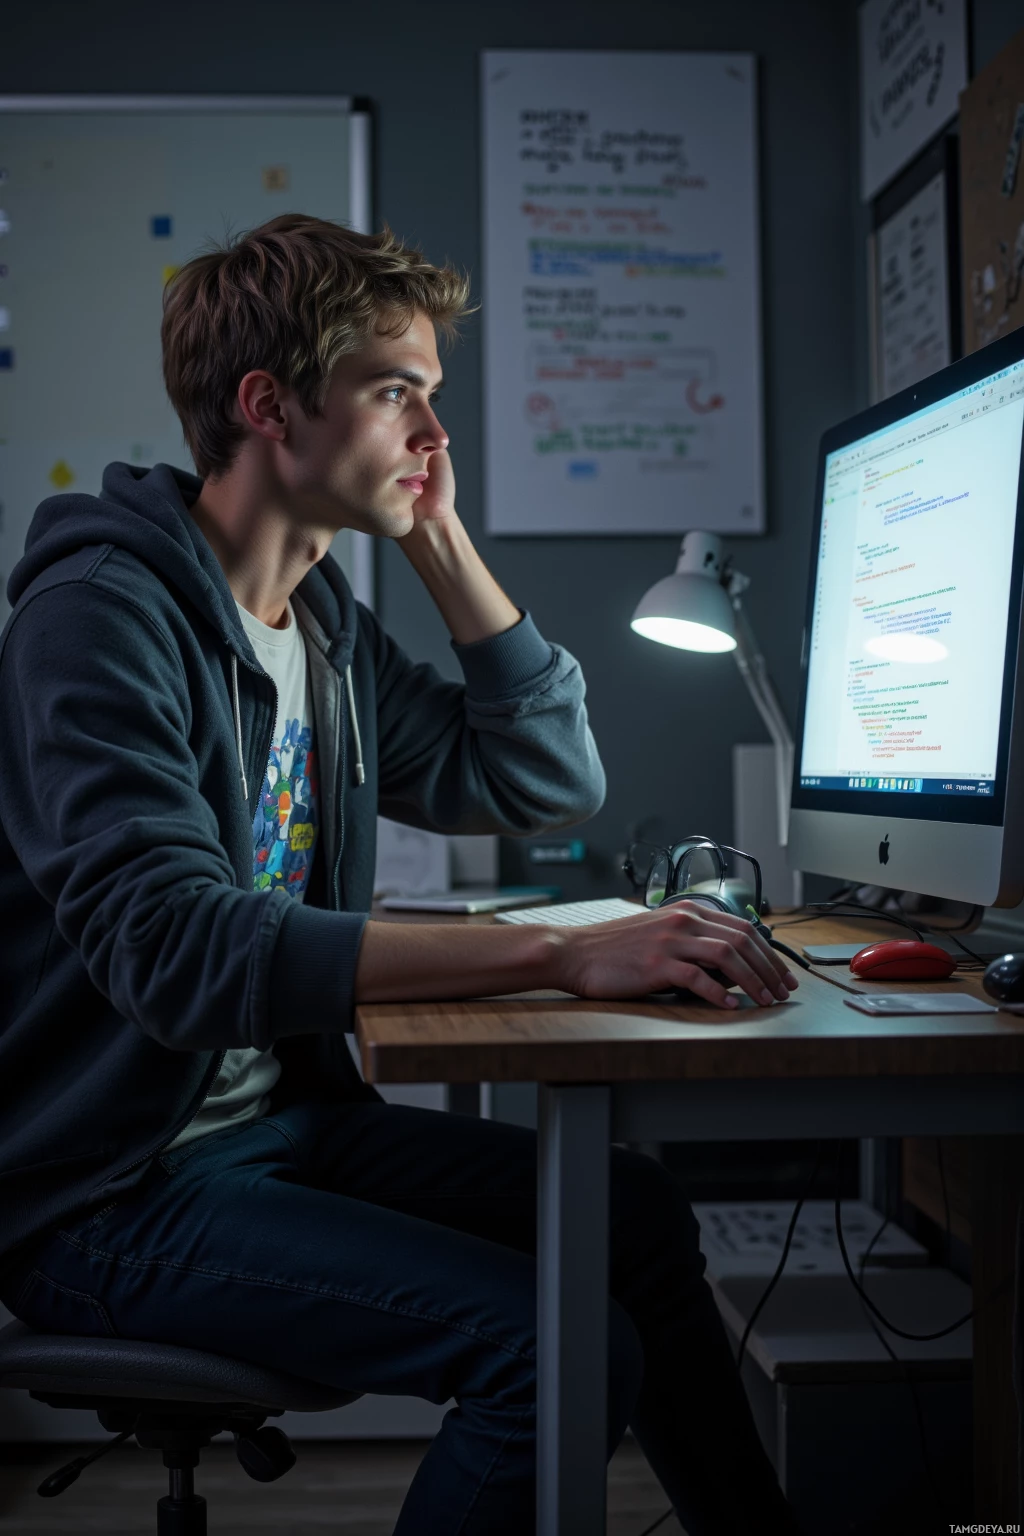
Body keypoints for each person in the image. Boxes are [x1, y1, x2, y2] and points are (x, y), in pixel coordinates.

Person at [0, 215, 800, 1534]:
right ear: (269, 407)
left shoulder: (316, 625)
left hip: (277, 1134)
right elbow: (179, 951)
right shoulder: (100, 619)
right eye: (396, 394)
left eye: (434, 397)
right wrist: (559, 952)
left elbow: (543, 782)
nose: (434, 433)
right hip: (108, 1190)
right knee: (556, 1350)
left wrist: (437, 542)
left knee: (637, 1218)